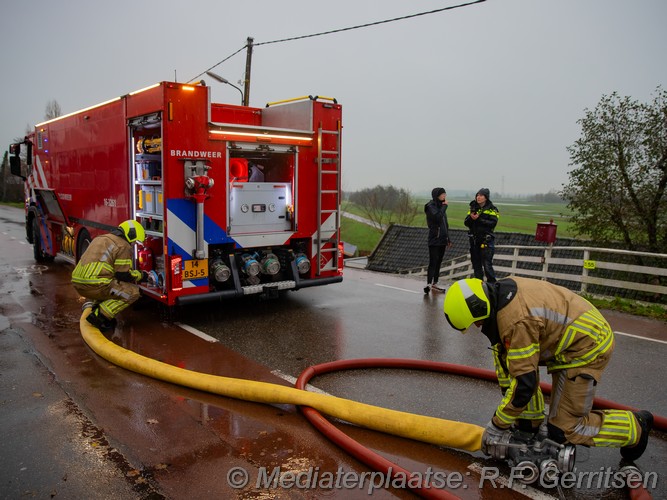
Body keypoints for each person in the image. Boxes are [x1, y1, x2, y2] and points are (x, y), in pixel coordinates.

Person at [442, 277, 653, 461]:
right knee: (505, 356)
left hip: (587, 345)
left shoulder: (516, 322)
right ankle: (530, 420)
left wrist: (497, 425)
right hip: (566, 340)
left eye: (477, 324)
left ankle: (635, 427)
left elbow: (524, 384)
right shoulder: (499, 297)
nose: (478, 329)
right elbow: (516, 371)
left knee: (565, 429)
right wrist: (525, 426)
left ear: (481, 310)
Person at [72, 220, 146, 332]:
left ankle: (96, 308)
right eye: (135, 241)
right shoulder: (123, 246)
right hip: (96, 285)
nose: (133, 244)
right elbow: (123, 275)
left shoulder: (100, 238)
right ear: (131, 235)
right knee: (133, 293)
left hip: (79, 284)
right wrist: (141, 275)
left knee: (110, 284)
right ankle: (100, 316)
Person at [464, 188, 499, 283]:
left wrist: (479, 219)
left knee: (487, 265)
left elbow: (492, 223)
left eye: (481, 195)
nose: (478, 197)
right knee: (476, 265)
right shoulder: (473, 208)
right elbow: (466, 223)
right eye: (477, 195)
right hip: (474, 241)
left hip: (486, 241)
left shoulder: (492, 209)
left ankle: (493, 286)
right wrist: (471, 218)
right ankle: (479, 286)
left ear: (486, 197)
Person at [424, 187, 452, 294]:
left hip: (442, 239)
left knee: (439, 261)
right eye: (442, 194)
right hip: (434, 238)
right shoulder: (430, 206)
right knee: (433, 261)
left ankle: (435, 283)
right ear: (436, 195)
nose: (444, 196)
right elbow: (437, 217)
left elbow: (445, 224)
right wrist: (445, 206)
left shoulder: (441, 207)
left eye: (445, 194)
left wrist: (448, 238)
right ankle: (428, 284)